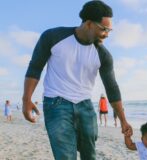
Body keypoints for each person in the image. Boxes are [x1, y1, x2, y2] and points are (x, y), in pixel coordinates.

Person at [22, 1, 132, 159]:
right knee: (66, 156)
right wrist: (26, 99)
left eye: (109, 30)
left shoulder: (103, 55)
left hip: (85, 106)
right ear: (88, 24)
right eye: (104, 29)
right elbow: (35, 67)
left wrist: (123, 120)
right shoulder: (53, 37)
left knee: (90, 155)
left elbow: (112, 88)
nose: (107, 34)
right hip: (56, 104)